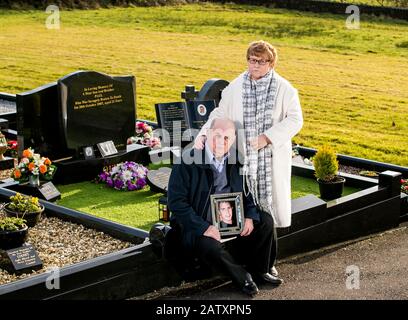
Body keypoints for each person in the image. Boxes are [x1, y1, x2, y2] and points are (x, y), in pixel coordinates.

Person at [194, 40, 304, 278]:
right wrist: (204, 133)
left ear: (271, 63)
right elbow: (219, 114)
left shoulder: (285, 89)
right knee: (250, 213)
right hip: (243, 161)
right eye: (251, 60)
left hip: (269, 160)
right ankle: (252, 262)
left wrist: (268, 137)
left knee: (268, 213)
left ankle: (268, 264)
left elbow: (295, 119)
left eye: (260, 61)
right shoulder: (235, 87)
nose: (254, 65)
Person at [167, 118, 282, 296]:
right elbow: (176, 202)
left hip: (230, 216)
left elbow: (247, 192)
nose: (221, 142)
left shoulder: (237, 159)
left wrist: (250, 215)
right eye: (217, 136)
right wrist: (204, 227)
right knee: (210, 246)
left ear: (234, 139)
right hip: (199, 222)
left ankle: (261, 270)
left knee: (265, 221)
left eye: (227, 138)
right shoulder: (186, 161)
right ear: (208, 134)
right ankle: (243, 278)